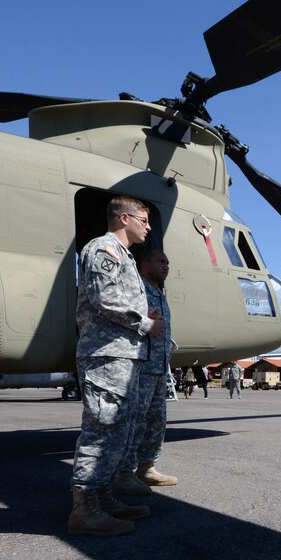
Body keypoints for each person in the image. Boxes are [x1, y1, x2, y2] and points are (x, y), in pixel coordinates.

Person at [68, 196, 165, 536]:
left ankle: (104, 496)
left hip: (122, 354)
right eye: (143, 220)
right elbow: (104, 298)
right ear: (124, 218)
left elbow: (117, 300)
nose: (148, 227)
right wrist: (144, 323)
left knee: (119, 431)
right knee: (103, 428)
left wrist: (144, 316)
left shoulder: (123, 255)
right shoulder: (103, 250)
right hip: (106, 354)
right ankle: (85, 508)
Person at [116, 247, 179, 492]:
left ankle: (147, 468)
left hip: (159, 368)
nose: (166, 266)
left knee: (156, 422)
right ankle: (124, 473)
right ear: (144, 263)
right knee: (136, 422)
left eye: (168, 262)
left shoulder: (159, 293)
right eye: (161, 261)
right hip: (140, 368)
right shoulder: (136, 289)